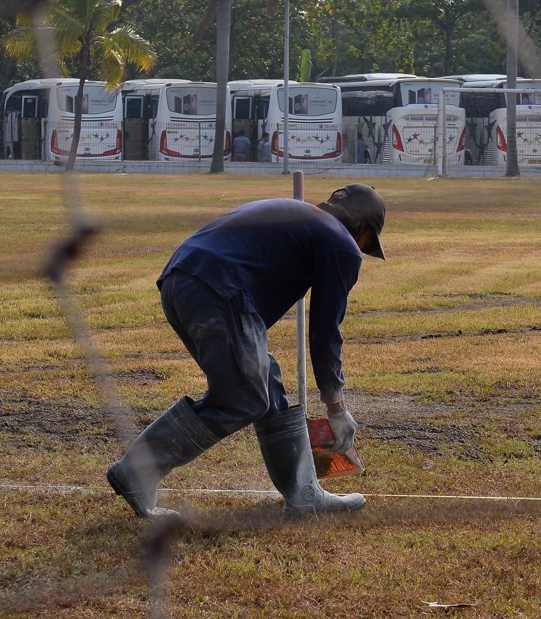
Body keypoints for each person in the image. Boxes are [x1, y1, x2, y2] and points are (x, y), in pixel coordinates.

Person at [106, 184, 386, 518]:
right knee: (242, 397)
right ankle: (138, 470)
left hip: (181, 281)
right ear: (361, 225)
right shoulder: (341, 244)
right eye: (368, 241)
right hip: (219, 288)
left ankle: (304, 494)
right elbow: (325, 332)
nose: (362, 251)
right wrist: (336, 409)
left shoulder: (302, 216)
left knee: (263, 380)